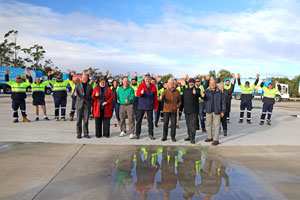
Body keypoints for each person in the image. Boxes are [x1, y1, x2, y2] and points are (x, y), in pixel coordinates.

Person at [202, 78, 226, 146]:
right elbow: (204, 98)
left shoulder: (220, 92)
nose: (212, 84)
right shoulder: (207, 91)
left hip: (217, 111)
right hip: (208, 111)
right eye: (211, 83)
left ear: (215, 84)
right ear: (209, 84)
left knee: (217, 126)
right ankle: (210, 137)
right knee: (208, 125)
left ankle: (216, 140)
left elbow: (223, 102)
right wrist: (203, 96)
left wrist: (223, 111)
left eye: (213, 83)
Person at [135, 74, 158, 140]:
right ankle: (137, 134)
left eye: (149, 79)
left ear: (150, 80)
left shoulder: (153, 87)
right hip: (141, 106)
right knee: (139, 121)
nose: (148, 80)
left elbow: (155, 98)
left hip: (150, 106)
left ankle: (151, 134)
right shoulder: (141, 85)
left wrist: (156, 107)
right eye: (146, 79)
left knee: (150, 122)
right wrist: (141, 93)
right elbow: (137, 94)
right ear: (144, 80)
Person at [74, 74, 93, 138]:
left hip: (87, 105)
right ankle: (79, 133)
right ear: (81, 78)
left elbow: (92, 96)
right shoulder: (77, 85)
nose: (85, 79)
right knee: (78, 120)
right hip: (79, 104)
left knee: (86, 120)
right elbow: (73, 95)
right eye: (83, 78)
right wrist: (75, 94)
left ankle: (86, 133)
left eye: (86, 78)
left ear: (87, 79)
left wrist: (90, 100)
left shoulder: (90, 86)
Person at [183, 78, 200, 144]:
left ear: (194, 83)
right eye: (190, 82)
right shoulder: (185, 90)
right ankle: (189, 136)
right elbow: (183, 100)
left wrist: (195, 94)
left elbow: (199, 95)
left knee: (192, 125)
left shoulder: (197, 89)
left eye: (192, 82)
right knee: (188, 124)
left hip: (194, 111)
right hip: (187, 110)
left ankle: (192, 138)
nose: (191, 83)